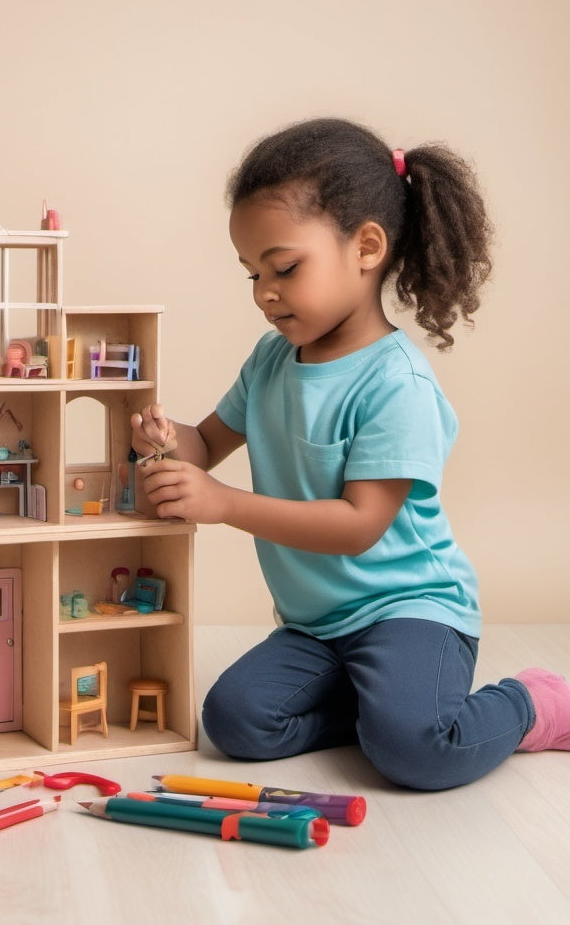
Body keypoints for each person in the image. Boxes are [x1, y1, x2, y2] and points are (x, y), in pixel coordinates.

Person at [131, 117, 569, 790]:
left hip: (411, 610)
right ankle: (374, 715)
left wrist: (222, 505)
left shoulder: (398, 384)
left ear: (366, 247)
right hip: (317, 626)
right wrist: (168, 441)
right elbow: (206, 444)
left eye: (283, 268)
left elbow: (359, 524)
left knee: (420, 753)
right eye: (251, 274)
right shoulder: (271, 361)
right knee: (234, 722)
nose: (264, 293)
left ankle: (532, 703)